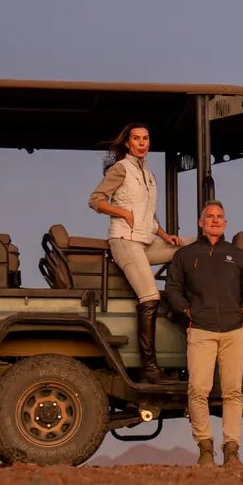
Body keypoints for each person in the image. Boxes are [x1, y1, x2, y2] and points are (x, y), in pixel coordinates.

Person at [163, 201, 243, 466]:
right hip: (200, 331)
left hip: (233, 331)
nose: (215, 221)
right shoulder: (185, 255)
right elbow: (172, 289)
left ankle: (232, 450)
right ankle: (205, 449)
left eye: (220, 217)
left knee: (232, 392)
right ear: (201, 222)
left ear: (225, 224)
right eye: (210, 217)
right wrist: (188, 311)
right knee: (198, 391)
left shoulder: (237, 256)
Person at [88, 123, 183, 383]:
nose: (141, 143)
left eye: (145, 138)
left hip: (145, 240)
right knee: (149, 296)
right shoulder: (121, 169)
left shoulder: (149, 175)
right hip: (124, 241)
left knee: (186, 249)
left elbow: (149, 216)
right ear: (128, 144)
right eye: (136, 139)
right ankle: (149, 369)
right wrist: (123, 213)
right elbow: (95, 200)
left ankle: (177, 302)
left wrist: (166, 236)